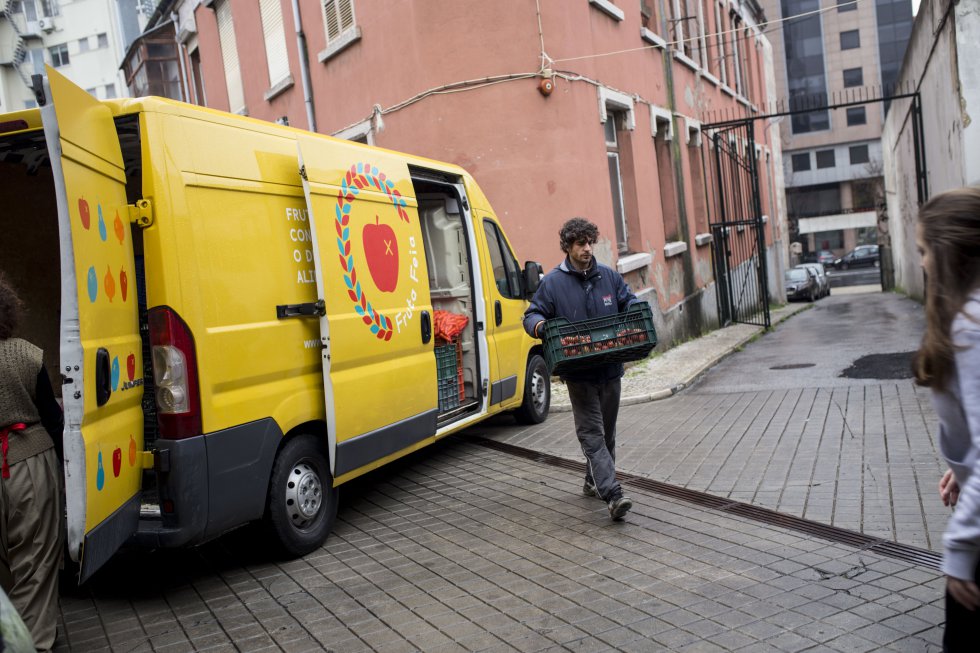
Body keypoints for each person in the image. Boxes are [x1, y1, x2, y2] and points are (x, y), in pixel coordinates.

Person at [523, 217, 640, 520]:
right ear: (568, 246)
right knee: (591, 434)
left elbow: (628, 301)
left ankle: (593, 480)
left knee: (608, 435)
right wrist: (539, 325)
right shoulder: (552, 283)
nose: (587, 249)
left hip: (611, 368)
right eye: (580, 244)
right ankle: (613, 495)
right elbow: (532, 314)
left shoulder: (610, 278)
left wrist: (634, 310)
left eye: (590, 242)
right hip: (577, 371)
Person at [912, 186, 980, 652]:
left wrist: (959, 548)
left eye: (922, 250)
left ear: (946, 252)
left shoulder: (970, 325)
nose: (920, 262)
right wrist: (962, 469)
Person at [0, 275, 64, 652]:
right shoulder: (27, 354)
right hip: (30, 463)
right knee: (35, 559)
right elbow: (52, 419)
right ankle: (30, 645)